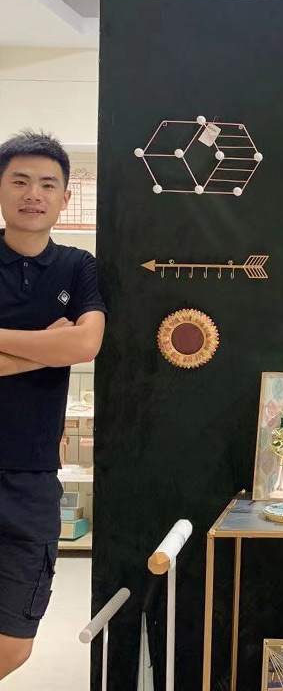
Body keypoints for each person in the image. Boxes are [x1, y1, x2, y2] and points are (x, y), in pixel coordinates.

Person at [0, 131, 106, 679]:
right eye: (19, 181)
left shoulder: (76, 266)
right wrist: (47, 347)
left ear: (66, 197)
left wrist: (45, 347)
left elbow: (85, 344)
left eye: (47, 184)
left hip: (32, 477)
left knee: (13, 646)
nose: (32, 194)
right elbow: (67, 346)